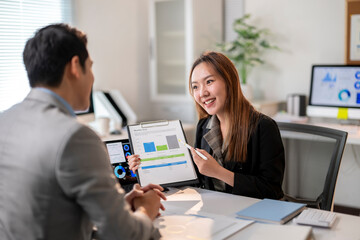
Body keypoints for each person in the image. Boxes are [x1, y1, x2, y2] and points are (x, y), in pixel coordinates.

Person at [0, 24, 165, 240]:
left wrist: (115, 210)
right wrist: (146, 208)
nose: (93, 78)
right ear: (75, 66)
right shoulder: (76, 136)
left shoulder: (5, 121)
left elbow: (40, 213)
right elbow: (125, 235)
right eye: (91, 66)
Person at [129, 51, 285, 200]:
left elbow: (271, 190)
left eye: (209, 82)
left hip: (252, 215)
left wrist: (218, 172)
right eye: (195, 86)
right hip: (214, 211)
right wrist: (147, 168)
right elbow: (196, 179)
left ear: (229, 81)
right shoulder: (204, 125)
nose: (202, 93)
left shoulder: (263, 127)